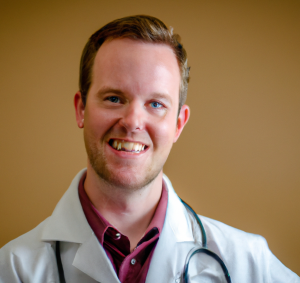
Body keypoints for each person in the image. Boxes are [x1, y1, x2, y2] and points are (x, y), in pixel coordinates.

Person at [0, 15, 299, 283]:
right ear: (81, 109)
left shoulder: (248, 263)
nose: (132, 122)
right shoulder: (13, 269)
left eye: (156, 104)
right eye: (114, 98)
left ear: (179, 124)